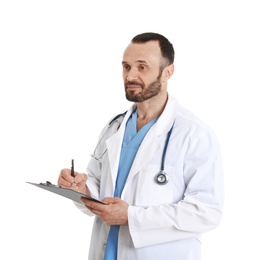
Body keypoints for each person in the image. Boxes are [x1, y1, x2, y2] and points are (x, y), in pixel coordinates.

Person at [58, 32, 224, 260]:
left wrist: (131, 217)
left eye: (142, 67)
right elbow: (99, 186)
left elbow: (206, 213)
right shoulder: (114, 127)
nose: (130, 75)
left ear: (168, 72)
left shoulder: (194, 134)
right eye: (126, 67)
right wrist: (79, 188)